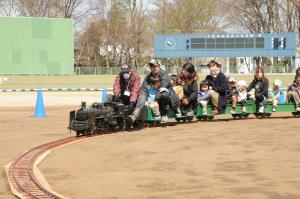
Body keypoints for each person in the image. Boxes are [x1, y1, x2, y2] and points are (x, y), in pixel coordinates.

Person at [129, 59, 180, 123]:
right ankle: (135, 115)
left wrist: (154, 100)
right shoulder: (148, 77)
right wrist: (142, 97)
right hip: (154, 99)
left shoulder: (164, 74)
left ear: (159, 66)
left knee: (164, 93)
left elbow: (162, 88)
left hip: (169, 99)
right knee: (141, 96)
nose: (154, 68)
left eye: (155, 66)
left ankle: (164, 114)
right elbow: (144, 90)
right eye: (152, 66)